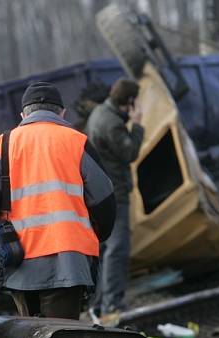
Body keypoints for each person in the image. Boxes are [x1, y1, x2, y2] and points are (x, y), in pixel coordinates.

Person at [0, 81, 116, 320]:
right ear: (62, 112)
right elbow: (104, 198)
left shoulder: (3, 144)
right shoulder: (77, 141)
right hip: (69, 258)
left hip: (19, 260)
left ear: (23, 114)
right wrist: (97, 236)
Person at [85, 78, 145, 318]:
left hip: (98, 192)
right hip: (115, 192)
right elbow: (130, 152)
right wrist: (138, 125)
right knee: (117, 249)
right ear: (129, 102)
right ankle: (113, 304)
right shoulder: (112, 124)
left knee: (103, 249)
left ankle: (97, 304)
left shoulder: (99, 112)